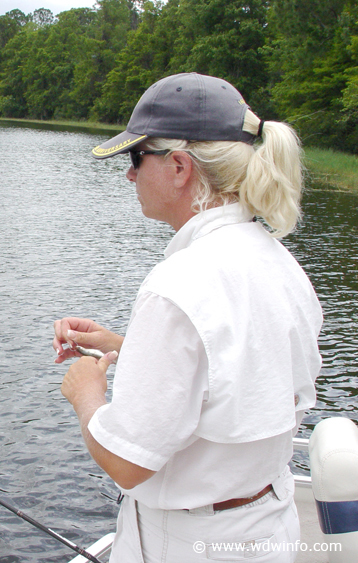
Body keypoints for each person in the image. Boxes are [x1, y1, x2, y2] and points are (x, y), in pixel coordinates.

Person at [52, 72, 323, 562]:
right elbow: (234, 375)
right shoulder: (281, 264)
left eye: (136, 158)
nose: (129, 175)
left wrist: (85, 393)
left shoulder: (178, 285)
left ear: (178, 166)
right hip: (266, 531)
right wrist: (122, 346)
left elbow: (128, 464)